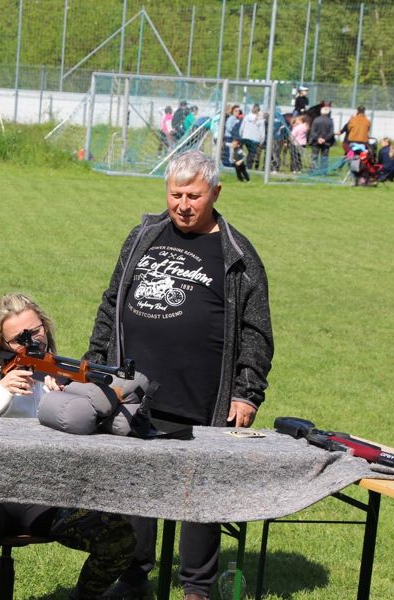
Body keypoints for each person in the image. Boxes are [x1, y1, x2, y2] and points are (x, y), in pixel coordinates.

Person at [85, 150, 274, 600]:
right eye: (175, 195)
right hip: (131, 389)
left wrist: (246, 392)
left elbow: (256, 330)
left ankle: (196, 588)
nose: (183, 205)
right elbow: (112, 302)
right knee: (134, 486)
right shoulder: (143, 235)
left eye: (193, 196)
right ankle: (133, 579)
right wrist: (95, 365)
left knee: (199, 493)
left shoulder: (237, 254)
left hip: (203, 396)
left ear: (216, 193)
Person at [0, 293, 135, 600]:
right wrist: (0, 392)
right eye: (19, 339)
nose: (31, 342)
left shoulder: (61, 377)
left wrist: (68, 400)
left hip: (41, 492)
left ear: (46, 327)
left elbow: (86, 443)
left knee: (116, 536)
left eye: (35, 331)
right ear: (4, 345)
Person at [308, 105, 335, 172]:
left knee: (314, 156)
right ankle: (323, 171)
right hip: (326, 142)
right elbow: (331, 132)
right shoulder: (330, 121)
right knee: (324, 157)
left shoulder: (316, 120)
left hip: (315, 142)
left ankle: (313, 170)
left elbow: (313, 131)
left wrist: (318, 138)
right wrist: (324, 139)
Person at [238, 104, 264, 169]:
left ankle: (239, 163)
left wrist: (241, 135)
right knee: (251, 153)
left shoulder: (246, 117)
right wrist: (262, 141)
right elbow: (262, 132)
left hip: (245, 137)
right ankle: (248, 167)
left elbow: (242, 128)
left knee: (240, 150)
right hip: (255, 139)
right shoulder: (260, 120)